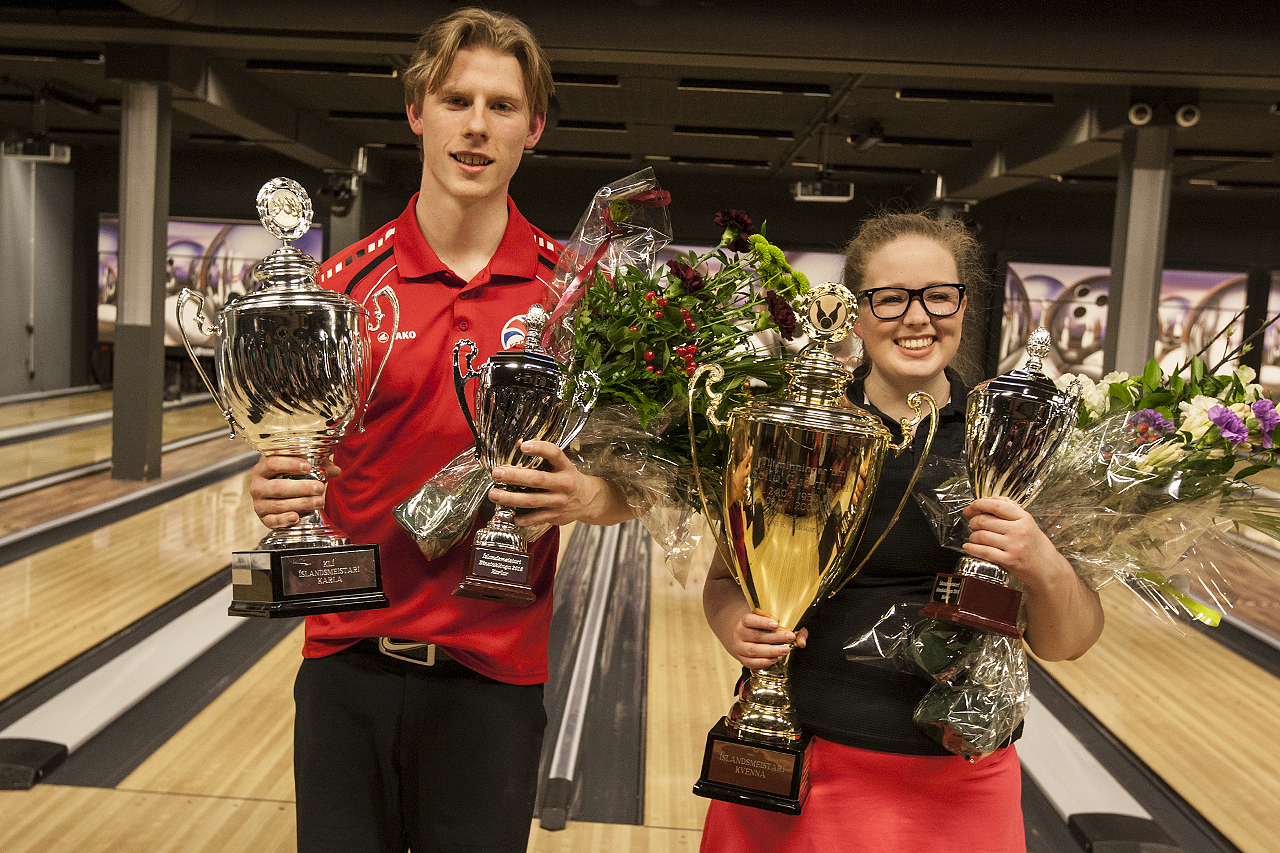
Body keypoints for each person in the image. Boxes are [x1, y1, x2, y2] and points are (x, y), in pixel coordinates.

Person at [248, 9, 633, 852]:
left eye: (502, 106)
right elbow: (294, 446)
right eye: (456, 99)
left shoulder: (575, 298)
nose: (476, 125)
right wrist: (275, 481)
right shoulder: (339, 286)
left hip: (491, 680)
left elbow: (633, 486)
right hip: (344, 662)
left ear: (533, 128)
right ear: (416, 111)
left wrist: (587, 492)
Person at [699, 211, 1105, 852]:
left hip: (958, 780)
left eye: (938, 295)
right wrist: (735, 627)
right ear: (857, 314)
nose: (918, 318)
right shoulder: (799, 433)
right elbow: (725, 581)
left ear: (963, 306)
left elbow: (1068, 642)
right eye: (890, 299)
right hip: (801, 757)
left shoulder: (1017, 439)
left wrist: (1042, 563)